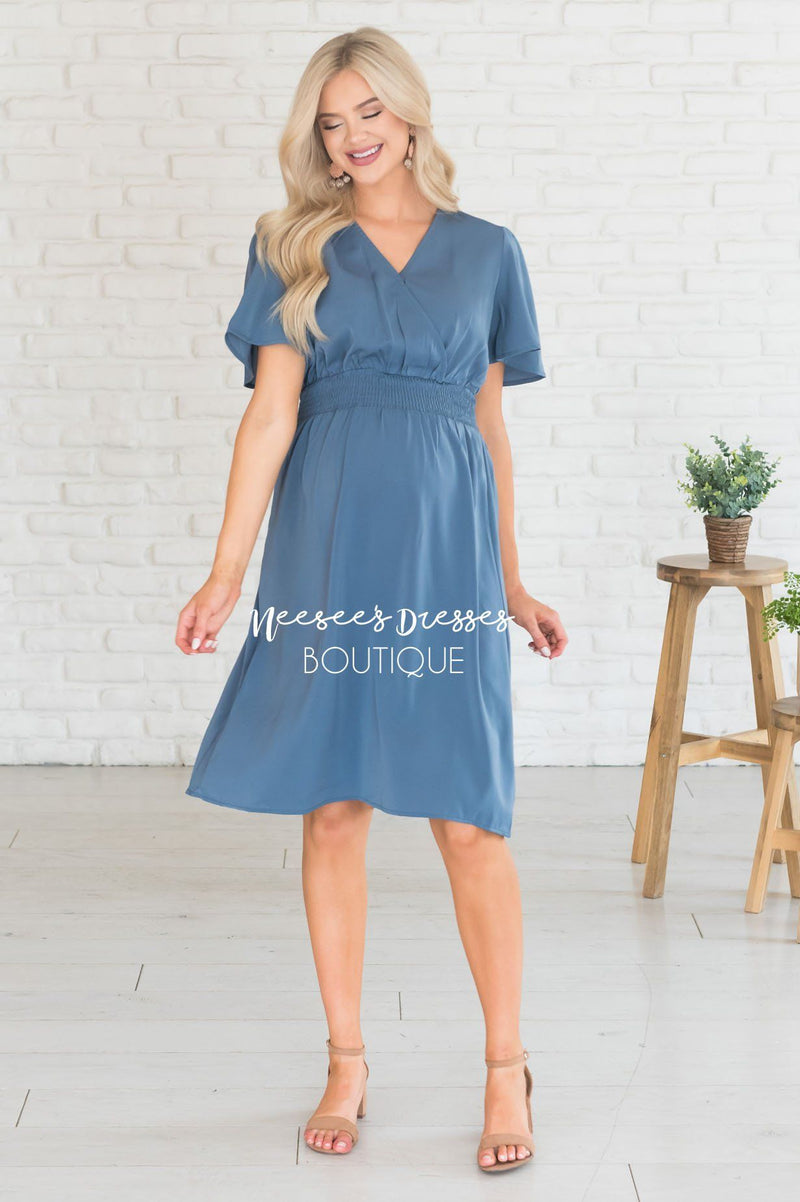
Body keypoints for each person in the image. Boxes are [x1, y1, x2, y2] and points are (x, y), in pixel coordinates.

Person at [176, 25, 568, 1174]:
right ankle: (345, 1059)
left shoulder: (488, 252)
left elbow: (488, 427)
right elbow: (270, 414)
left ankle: (505, 1064)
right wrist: (226, 568)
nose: (351, 136)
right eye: (330, 121)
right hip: (327, 549)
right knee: (335, 805)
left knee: (467, 815)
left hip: (445, 556)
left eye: (369, 113)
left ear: (409, 114)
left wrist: (508, 577)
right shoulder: (291, 245)